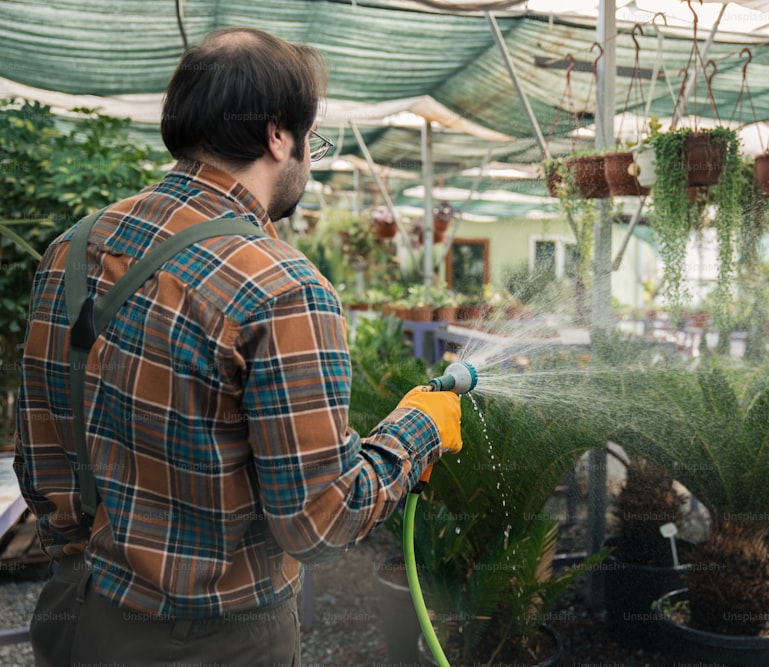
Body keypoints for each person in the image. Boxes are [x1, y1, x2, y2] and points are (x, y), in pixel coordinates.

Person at [14, 26, 461, 666]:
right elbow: (319, 521)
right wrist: (419, 430)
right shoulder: (282, 287)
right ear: (279, 134)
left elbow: (40, 452)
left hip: (75, 612)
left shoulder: (74, 248)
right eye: (313, 141)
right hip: (210, 643)